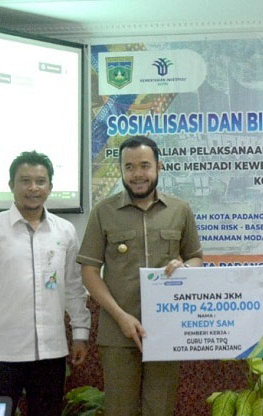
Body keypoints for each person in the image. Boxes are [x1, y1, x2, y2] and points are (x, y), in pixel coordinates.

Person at [0, 150, 91, 416]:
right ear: (11, 185)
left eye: (40, 181)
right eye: (25, 181)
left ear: (50, 187)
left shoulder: (65, 231)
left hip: (51, 353)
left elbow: (74, 287)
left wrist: (80, 334)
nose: (33, 188)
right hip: (1, 354)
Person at [77, 135, 203, 416]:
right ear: (121, 170)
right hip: (118, 333)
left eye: (144, 166)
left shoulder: (179, 210)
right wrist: (120, 316)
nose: (137, 174)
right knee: (119, 410)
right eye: (129, 167)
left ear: (159, 167)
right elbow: (89, 271)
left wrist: (185, 270)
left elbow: (195, 258)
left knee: (160, 409)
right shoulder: (103, 212)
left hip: (167, 330)